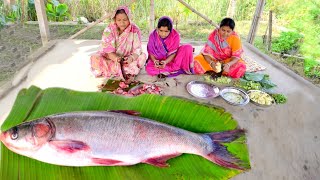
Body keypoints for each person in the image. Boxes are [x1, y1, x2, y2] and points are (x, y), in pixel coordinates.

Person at [90, 6, 146, 82]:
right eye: (119, 20)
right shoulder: (109, 30)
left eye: (125, 20)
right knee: (95, 58)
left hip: (128, 58)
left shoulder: (135, 30)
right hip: (112, 58)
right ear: (115, 20)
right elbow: (108, 51)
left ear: (129, 19)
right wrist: (117, 59)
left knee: (143, 57)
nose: (122, 23)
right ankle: (124, 69)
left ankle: (118, 69)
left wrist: (131, 58)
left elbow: (137, 49)